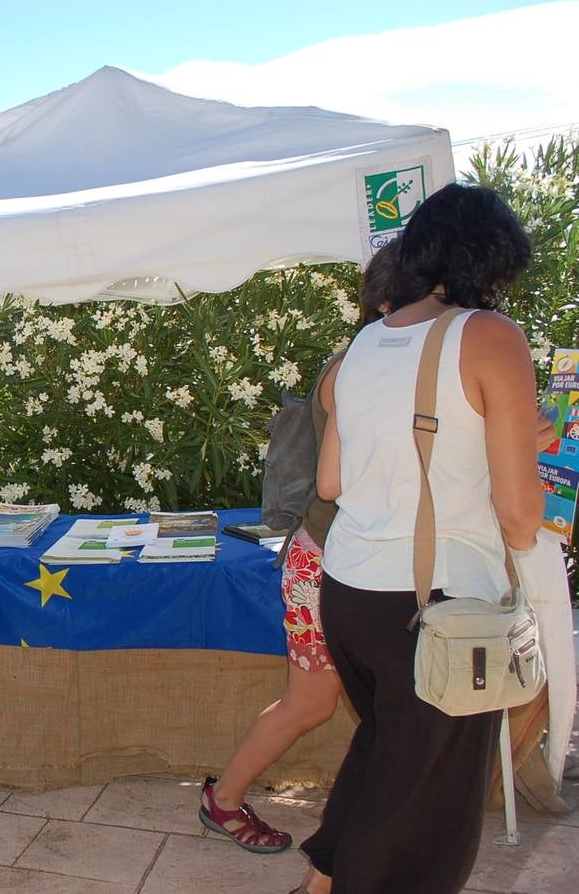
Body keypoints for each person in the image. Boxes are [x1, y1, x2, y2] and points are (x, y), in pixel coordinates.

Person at [293, 183, 542, 894]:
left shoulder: (363, 343)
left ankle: (320, 882)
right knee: (422, 808)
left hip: (348, 592)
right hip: (434, 603)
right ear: (490, 262)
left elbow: (332, 481)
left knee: (386, 756)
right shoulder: (490, 336)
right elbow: (520, 515)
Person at [200, 240, 402, 853]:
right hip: (329, 559)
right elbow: (350, 479)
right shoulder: (361, 368)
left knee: (328, 703)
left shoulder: (372, 361)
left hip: (346, 558)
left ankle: (227, 802)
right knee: (314, 703)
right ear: (390, 301)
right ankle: (225, 800)